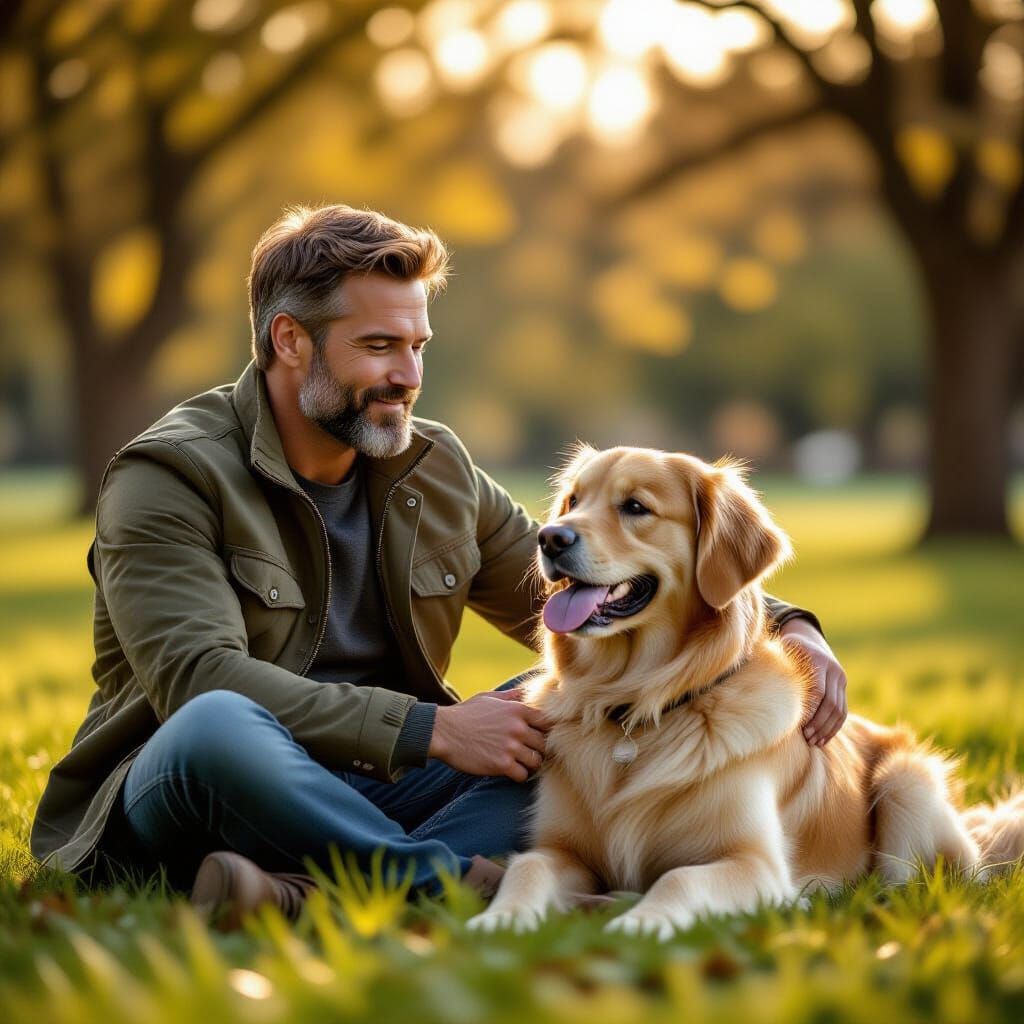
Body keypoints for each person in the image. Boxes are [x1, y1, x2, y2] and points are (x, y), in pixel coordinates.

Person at [30, 204, 847, 924]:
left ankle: (301, 894)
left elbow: (592, 578)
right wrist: (432, 729)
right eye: (380, 347)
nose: (408, 378)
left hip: (386, 789)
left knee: (564, 722)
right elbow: (197, 677)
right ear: (289, 340)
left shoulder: (434, 467)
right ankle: (455, 886)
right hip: (197, 789)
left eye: (418, 346)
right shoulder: (169, 476)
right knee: (215, 726)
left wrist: (792, 628)